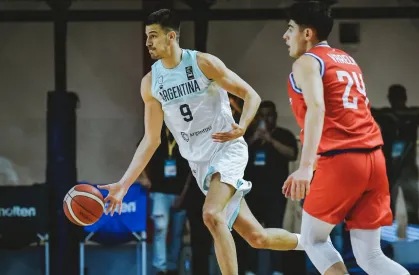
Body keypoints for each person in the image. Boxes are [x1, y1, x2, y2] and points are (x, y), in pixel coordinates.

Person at [99, 8, 303, 275]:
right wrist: (123, 184)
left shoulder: (202, 63)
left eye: (153, 36)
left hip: (227, 149)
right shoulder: (151, 83)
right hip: (199, 164)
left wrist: (241, 128)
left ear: (171, 37)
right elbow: (151, 140)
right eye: (146, 36)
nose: (147, 42)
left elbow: (250, 95)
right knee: (257, 237)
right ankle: (309, 243)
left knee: (211, 215)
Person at [281, 2, 410, 275]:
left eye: (290, 29)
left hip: (342, 160)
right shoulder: (347, 60)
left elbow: (318, 108)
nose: (285, 36)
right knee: (371, 256)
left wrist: (304, 167)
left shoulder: (306, 61)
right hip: (374, 160)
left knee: (312, 240)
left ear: (307, 33)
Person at [243, 100, 298, 275]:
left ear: (275, 117)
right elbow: (237, 155)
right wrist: (254, 139)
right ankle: (250, 269)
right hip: (252, 195)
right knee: (251, 233)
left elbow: (292, 154)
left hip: (275, 195)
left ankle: (277, 270)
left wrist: (270, 140)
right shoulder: (249, 135)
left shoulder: (283, 134)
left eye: (269, 115)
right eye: (262, 115)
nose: (265, 119)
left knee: (275, 232)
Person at [139, 124, 190, 275]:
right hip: (159, 191)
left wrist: (184, 194)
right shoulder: (154, 132)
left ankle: (173, 267)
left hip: (180, 192)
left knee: (177, 232)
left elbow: (192, 169)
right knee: (160, 228)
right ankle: (160, 268)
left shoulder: (185, 133)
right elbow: (139, 154)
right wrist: (143, 177)